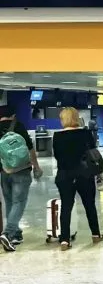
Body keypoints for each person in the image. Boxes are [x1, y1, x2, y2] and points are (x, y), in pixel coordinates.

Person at [52, 107, 103, 251]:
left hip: (64, 175)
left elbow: (57, 156)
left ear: (63, 119)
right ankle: (95, 234)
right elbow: (94, 154)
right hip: (84, 174)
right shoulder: (85, 134)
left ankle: (64, 240)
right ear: (76, 118)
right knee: (89, 205)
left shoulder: (57, 136)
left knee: (66, 208)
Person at [0, 105, 43, 252]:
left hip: (5, 171)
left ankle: (16, 235)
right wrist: (36, 166)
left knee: (10, 202)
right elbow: (30, 148)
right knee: (19, 202)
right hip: (22, 170)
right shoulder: (18, 126)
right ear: (13, 115)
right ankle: (8, 233)